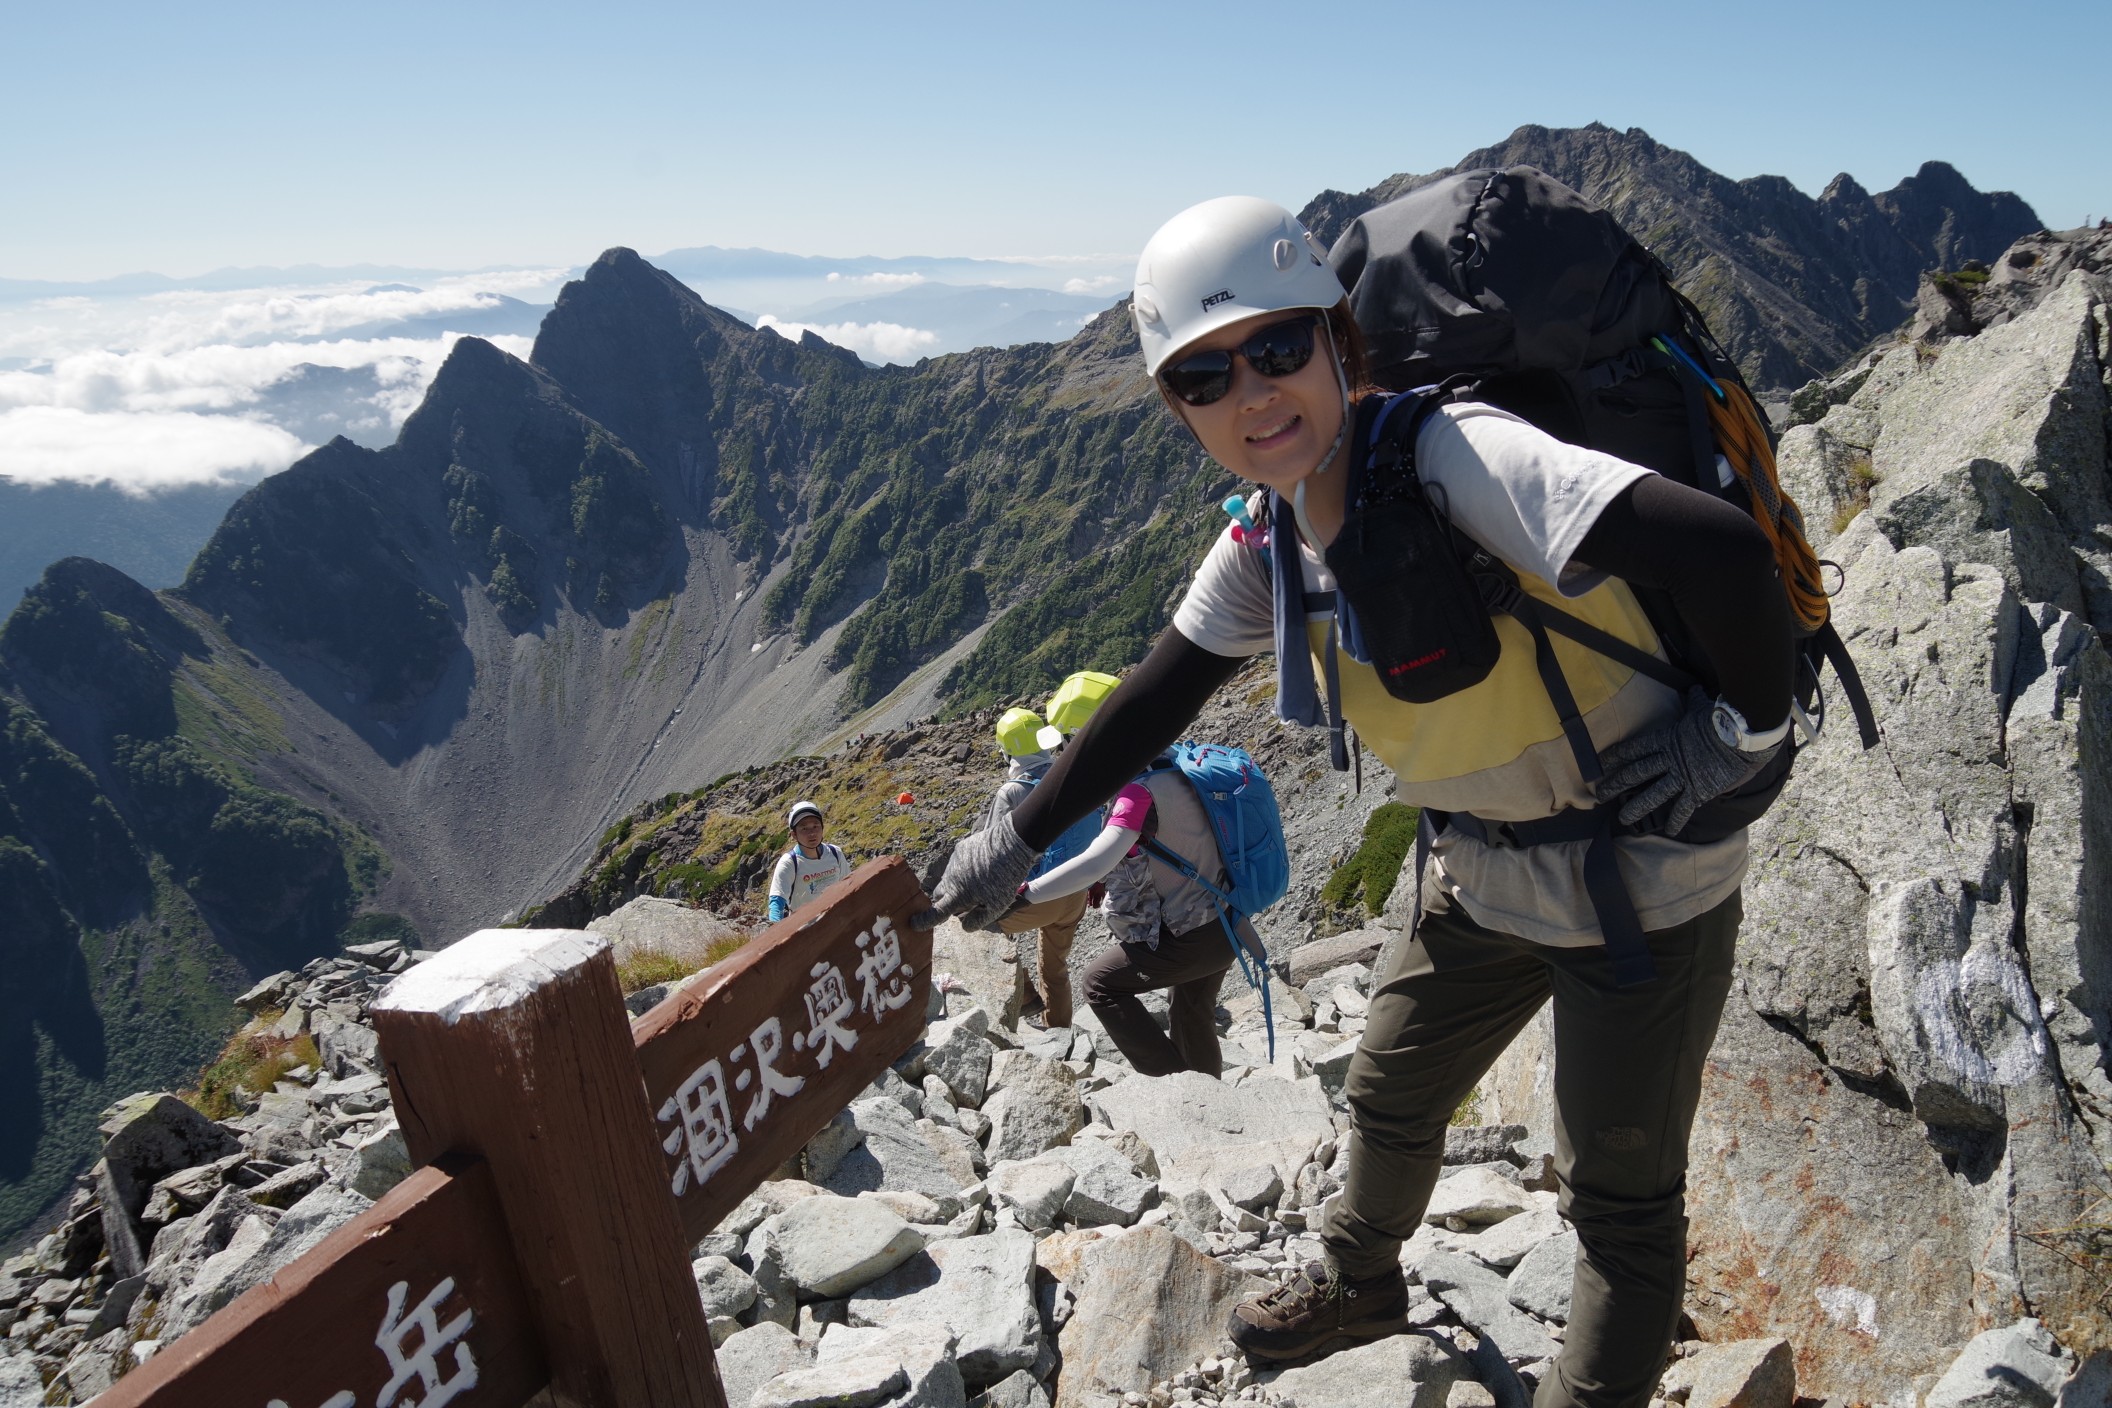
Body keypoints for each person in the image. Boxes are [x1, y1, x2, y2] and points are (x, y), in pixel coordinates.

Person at [917, 196, 1795, 1408]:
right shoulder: (1272, 536)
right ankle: (1358, 1281)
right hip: (1478, 868)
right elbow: (1147, 704)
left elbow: (1725, 554)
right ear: (1180, 410)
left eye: (1279, 348)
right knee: (1387, 1092)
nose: (1253, 394)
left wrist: (1739, 737)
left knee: (1621, 1203)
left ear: (1341, 340)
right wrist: (1010, 839)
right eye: (1206, 376)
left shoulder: (1457, 457)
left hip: (1639, 876)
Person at [1009, 734, 1260, 1077]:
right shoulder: (1179, 766)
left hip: (1190, 936)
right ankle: (1211, 1098)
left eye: (1066, 744)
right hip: (1228, 924)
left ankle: (1178, 1087)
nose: (1064, 755)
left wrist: (1025, 894)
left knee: (1098, 984)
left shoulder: (1137, 792)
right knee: (1190, 1011)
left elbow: (1096, 860)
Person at [983, 705, 1090, 1027]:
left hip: (1040, 895)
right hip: (1077, 892)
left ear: (1007, 750)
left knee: (975, 926)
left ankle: (1026, 995)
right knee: (1055, 967)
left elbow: (991, 853)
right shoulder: (1072, 774)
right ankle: (1059, 1029)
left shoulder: (1013, 791)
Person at [767, 800, 849, 922]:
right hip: (804, 929)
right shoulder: (789, 863)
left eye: (816, 826)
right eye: (804, 828)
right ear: (794, 834)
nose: (812, 833)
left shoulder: (835, 853)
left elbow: (848, 885)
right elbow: (777, 902)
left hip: (837, 923)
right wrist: (776, 935)